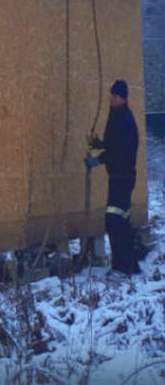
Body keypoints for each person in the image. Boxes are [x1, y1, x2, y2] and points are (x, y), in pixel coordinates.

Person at [86, 79, 140, 275]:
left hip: (122, 177)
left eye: (114, 95)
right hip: (118, 176)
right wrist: (98, 143)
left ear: (123, 98)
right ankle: (130, 265)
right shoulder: (116, 116)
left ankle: (121, 267)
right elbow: (112, 143)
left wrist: (98, 160)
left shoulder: (125, 120)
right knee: (121, 222)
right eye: (111, 94)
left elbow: (119, 151)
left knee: (114, 221)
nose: (111, 98)